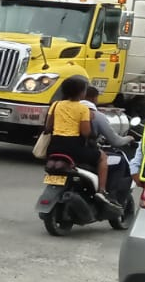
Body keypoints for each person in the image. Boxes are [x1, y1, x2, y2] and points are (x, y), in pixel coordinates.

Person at [44, 76, 112, 206]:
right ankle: (102, 191)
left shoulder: (56, 105)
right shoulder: (83, 109)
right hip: (73, 148)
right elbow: (85, 132)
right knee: (103, 158)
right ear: (81, 92)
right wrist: (94, 135)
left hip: (54, 147)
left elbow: (48, 127)